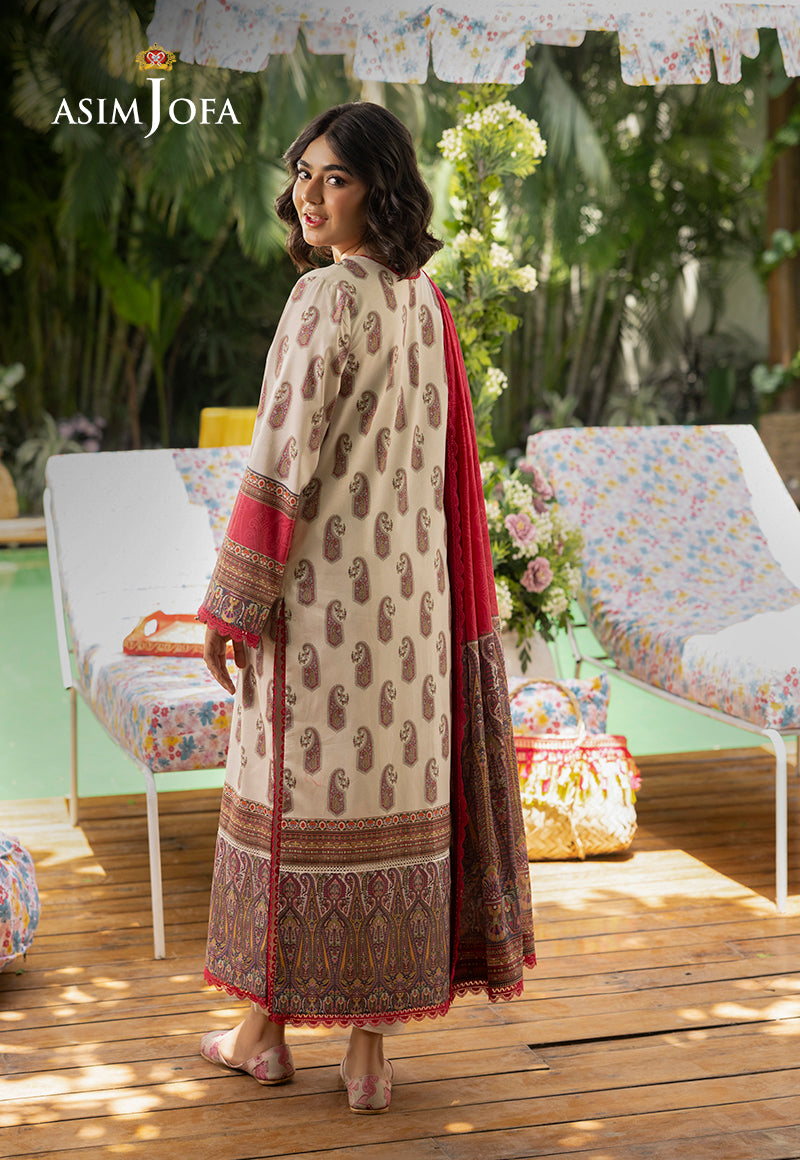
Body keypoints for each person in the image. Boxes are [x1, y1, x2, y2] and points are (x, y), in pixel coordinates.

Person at [198, 101, 535, 1115]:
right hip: (414, 621)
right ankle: (364, 1057)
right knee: (392, 815)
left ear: (376, 189)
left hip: (320, 617)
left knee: (290, 810)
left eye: (334, 178)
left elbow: (279, 461)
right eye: (303, 173)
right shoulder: (425, 302)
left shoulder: (323, 299)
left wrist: (232, 603)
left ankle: (262, 1036)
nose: (308, 194)